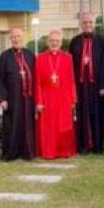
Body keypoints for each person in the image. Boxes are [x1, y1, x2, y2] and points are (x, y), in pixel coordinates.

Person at [69, 12, 104, 154]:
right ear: (81, 24)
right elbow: (70, 65)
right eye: (85, 22)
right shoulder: (74, 41)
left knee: (97, 114)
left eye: (90, 22)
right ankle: (82, 146)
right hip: (80, 84)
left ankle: (97, 146)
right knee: (81, 114)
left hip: (97, 85)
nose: (88, 25)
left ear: (94, 24)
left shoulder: (102, 41)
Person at [0, 27, 37, 161]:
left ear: (22, 37)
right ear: (10, 39)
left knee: (27, 124)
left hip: (28, 98)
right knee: (11, 126)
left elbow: (36, 77)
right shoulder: (4, 56)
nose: (17, 39)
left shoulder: (30, 55)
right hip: (11, 98)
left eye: (19, 36)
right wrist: (2, 99)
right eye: (14, 37)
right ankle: (11, 154)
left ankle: (27, 152)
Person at [35, 30, 77, 159]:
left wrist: (72, 99)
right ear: (47, 42)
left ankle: (63, 151)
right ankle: (48, 151)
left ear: (61, 43)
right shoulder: (40, 58)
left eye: (57, 41)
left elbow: (71, 80)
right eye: (52, 41)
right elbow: (37, 82)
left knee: (62, 125)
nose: (54, 43)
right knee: (48, 127)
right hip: (47, 97)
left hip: (63, 97)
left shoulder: (67, 57)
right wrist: (38, 101)